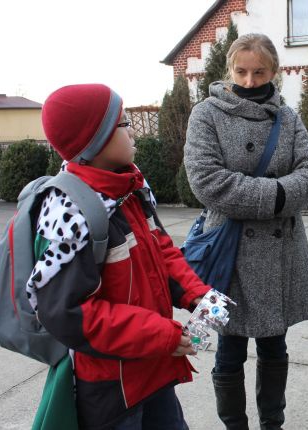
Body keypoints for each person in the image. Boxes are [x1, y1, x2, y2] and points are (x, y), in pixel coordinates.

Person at [28, 83, 210, 429]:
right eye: (123, 123)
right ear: (95, 140)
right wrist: (162, 335)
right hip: (113, 390)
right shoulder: (71, 215)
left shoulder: (129, 189)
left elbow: (162, 251)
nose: (132, 131)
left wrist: (196, 293)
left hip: (154, 371)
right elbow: (69, 313)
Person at [184, 33, 308, 429]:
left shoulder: (288, 117)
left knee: (275, 345)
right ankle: (235, 426)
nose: (249, 81)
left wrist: (275, 196)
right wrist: (279, 194)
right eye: (241, 71)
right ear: (229, 69)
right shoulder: (206, 114)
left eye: (259, 71)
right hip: (225, 252)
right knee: (226, 348)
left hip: (280, 253)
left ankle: (271, 424)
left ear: (275, 71)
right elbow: (207, 181)